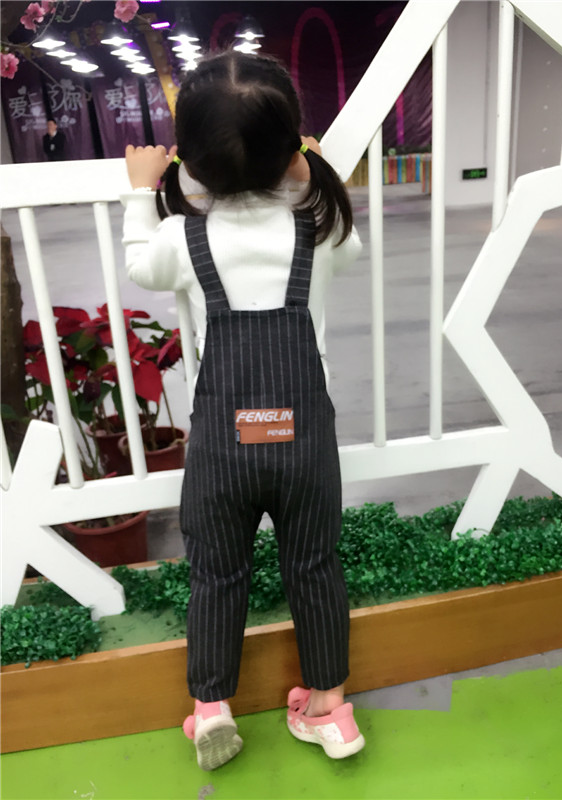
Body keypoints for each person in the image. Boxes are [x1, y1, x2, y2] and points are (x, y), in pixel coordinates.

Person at [122, 50, 364, 771]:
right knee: (315, 567)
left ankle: (211, 708)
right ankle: (330, 710)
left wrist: (139, 192)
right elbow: (353, 247)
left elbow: (140, 265)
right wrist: (308, 173)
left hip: (222, 450)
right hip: (305, 444)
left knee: (216, 574)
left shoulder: (182, 238)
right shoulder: (319, 229)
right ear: (293, 149)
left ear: (189, 160)